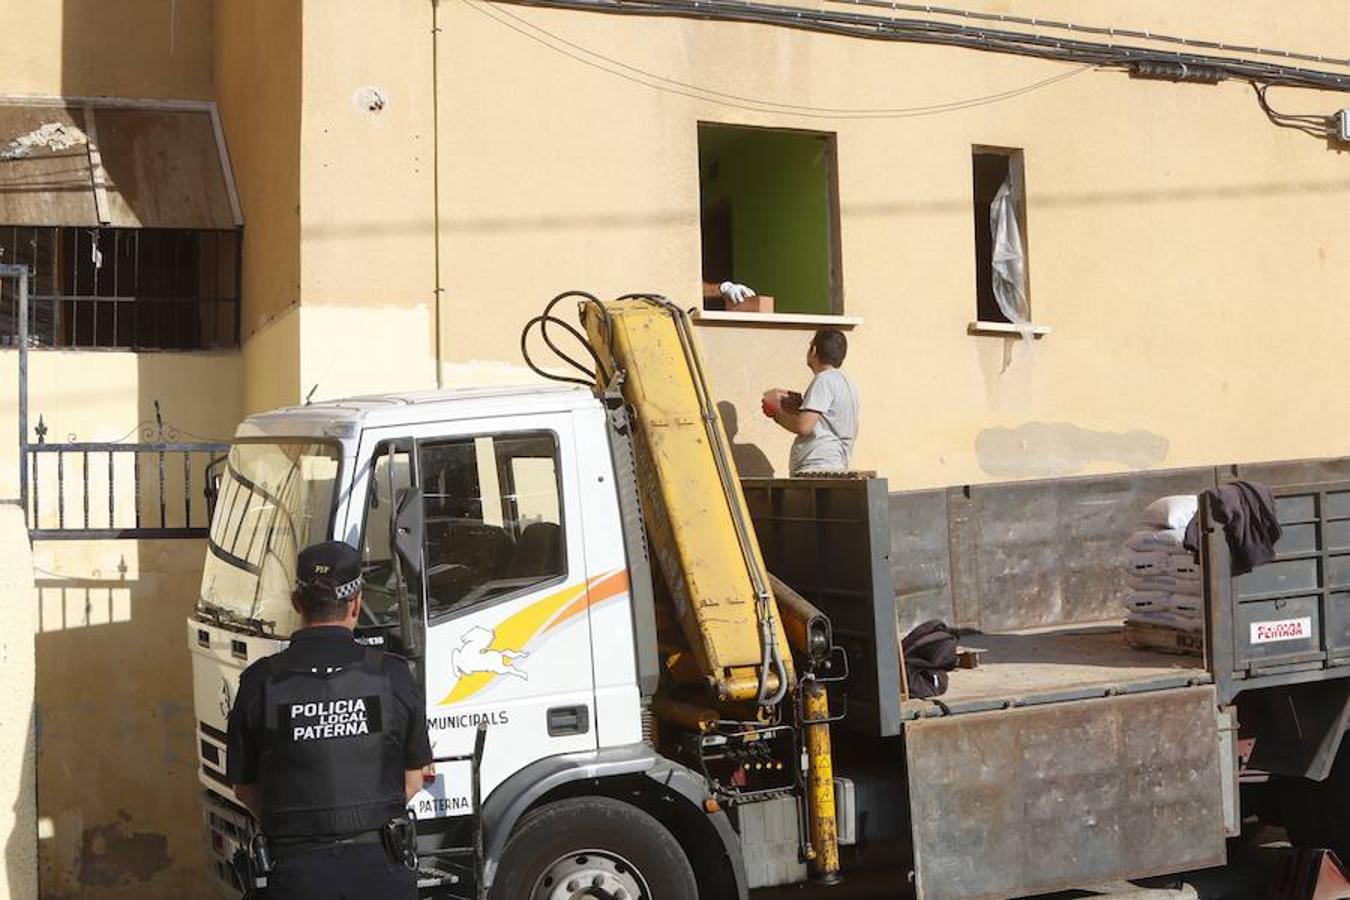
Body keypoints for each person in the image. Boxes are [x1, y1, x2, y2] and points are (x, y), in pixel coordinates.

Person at [226, 540, 432, 900]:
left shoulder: (260, 682)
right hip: (382, 874)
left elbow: (245, 789)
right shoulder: (393, 675)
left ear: (296, 604)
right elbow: (414, 780)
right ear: (357, 603)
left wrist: (298, 829)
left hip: (296, 876)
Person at [763, 328, 859, 475]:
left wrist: (774, 410)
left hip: (816, 468)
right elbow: (829, 422)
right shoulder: (847, 383)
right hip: (834, 466)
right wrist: (800, 406)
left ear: (813, 350)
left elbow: (804, 426)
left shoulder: (823, 380)